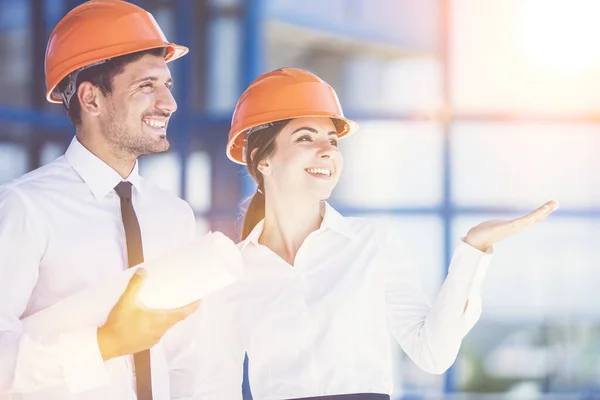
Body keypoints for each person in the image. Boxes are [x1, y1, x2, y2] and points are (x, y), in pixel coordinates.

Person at [193, 67, 559, 400]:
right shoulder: (230, 273)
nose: (326, 151)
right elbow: (215, 388)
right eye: (306, 138)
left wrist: (474, 248)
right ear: (263, 159)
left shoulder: (372, 243)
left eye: (333, 141)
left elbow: (432, 353)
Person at [0, 1, 200, 399]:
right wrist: (104, 343)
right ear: (91, 99)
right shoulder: (24, 208)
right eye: (147, 86)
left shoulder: (175, 216)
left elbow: (184, 359)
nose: (169, 103)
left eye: (167, 86)